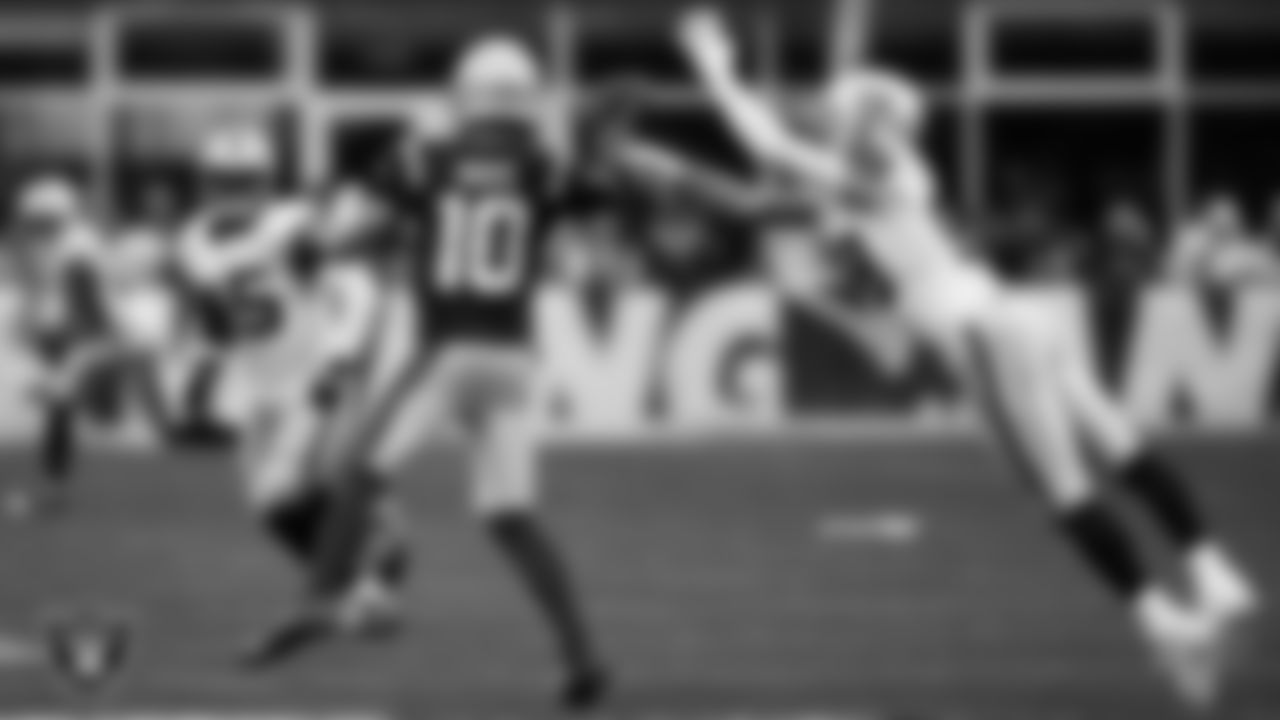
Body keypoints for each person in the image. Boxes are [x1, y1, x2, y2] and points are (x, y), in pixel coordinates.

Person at [673, 6, 1258, 709]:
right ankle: (1210, 567)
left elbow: (775, 147)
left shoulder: (877, 172)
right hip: (1012, 312)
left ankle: (1167, 626)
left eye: (847, 115)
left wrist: (715, 71)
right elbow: (782, 168)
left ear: (873, 124)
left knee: (1062, 490)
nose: (833, 119)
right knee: (1117, 441)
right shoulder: (887, 175)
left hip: (985, 336)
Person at [252, 36, 611, 711]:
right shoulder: (546, 165)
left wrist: (316, 249)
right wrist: (599, 144)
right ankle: (582, 659)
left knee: (356, 473)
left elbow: (361, 229)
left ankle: (317, 602)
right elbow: (593, 218)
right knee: (512, 515)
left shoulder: (424, 156)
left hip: (447, 345)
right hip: (514, 355)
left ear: (465, 92)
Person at [3, 176, 104, 518]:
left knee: (58, 410)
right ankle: (54, 489)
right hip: (57, 335)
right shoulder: (62, 243)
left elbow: (82, 297)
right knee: (57, 411)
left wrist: (73, 345)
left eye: (38, 219)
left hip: (67, 337)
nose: (32, 227)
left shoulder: (76, 246)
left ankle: (53, 491)